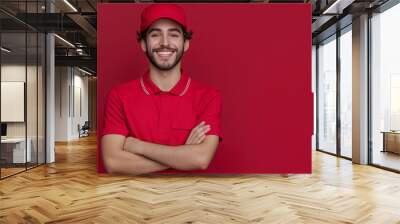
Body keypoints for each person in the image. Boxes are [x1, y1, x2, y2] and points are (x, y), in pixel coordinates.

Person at [101, 4, 223, 175]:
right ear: (143, 43)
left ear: (186, 43)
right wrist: (182, 154)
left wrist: (139, 146)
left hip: (189, 198)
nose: (165, 43)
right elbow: (113, 162)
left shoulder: (209, 96)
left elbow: (200, 159)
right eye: (155, 34)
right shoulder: (119, 96)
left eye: (173, 34)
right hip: (133, 199)